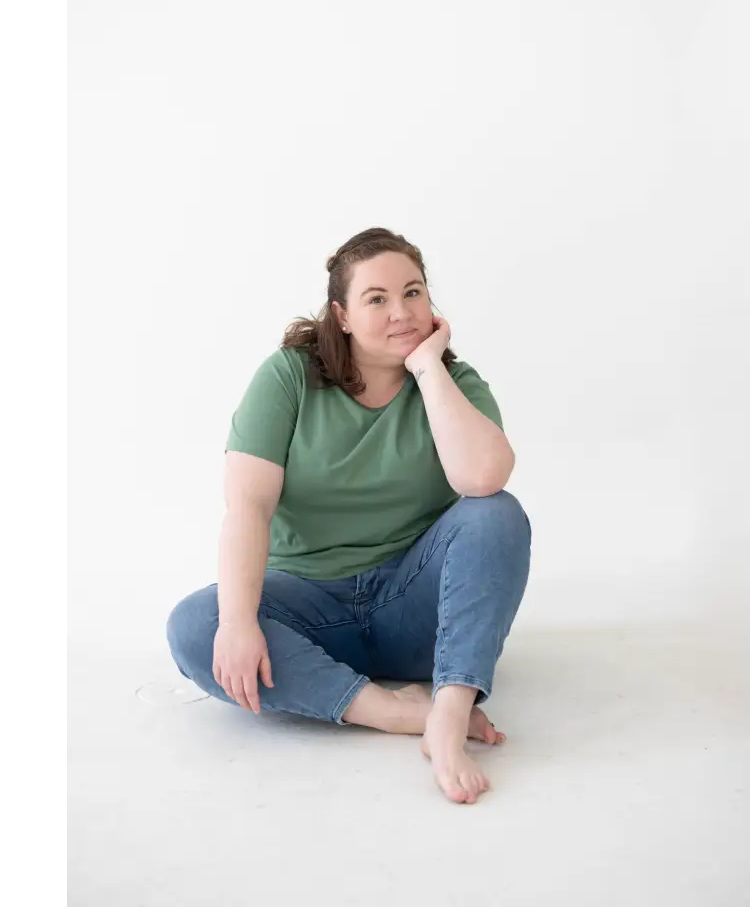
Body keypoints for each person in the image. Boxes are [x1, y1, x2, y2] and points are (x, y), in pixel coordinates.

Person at [167, 228, 531, 804]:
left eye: (413, 293)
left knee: (496, 515)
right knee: (196, 624)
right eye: (377, 298)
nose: (401, 312)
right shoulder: (289, 377)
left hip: (415, 615)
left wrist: (427, 368)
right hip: (310, 612)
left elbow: (482, 480)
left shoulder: (455, 385)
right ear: (341, 315)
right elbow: (248, 508)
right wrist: (237, 624)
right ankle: (396, 712)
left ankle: (449, 709)